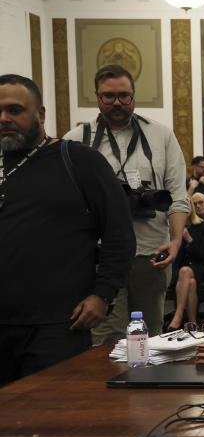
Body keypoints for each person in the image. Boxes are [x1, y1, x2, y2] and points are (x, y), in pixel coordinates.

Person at [0, 74, 135, 437]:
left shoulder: (77, 161)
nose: (5, 118)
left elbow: (119, 234)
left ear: (39, 115)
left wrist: (102, 294)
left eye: (15, 110)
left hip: (58, 324)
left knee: (43, 433)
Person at [63, 64, 189, 340]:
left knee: (150, 337)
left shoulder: (161, 135)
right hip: (98, 256)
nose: (117, 102)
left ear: (134, 96)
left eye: (124, 95)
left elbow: (178, 195)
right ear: (97, 97)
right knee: (104, 338)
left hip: (151, 253)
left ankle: (148, 383)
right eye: (108, 96)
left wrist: (176, 239)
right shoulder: (74, 142)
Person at [168, 194, 204, 331]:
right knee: (190, 281)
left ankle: (178, 315)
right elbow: (175, 257)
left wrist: (189, 240)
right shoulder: (175, 228)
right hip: (179, 269)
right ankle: (192, 323)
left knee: (185, 271)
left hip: (200, 267)